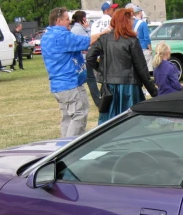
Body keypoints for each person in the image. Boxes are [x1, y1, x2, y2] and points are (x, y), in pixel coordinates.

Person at [41, 7, 106, 137]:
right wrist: (106, 32)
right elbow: (87, 41)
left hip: (57, 85)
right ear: (58, 21)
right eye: (66, 19)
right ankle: (71, 148)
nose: (69, 22)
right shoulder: (62, 35)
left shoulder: (47, 35)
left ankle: (63, 148)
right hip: (70, 84)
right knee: (79, 115)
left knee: (67, 118)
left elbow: (63, 52)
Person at [86, 8, 158, 125]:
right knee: (131, 124)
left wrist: (102, 69)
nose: (132, 21)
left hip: (111, 86)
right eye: (131, 18)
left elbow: (90, 57)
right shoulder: (131, 41)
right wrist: (154, 92)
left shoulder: (105, 39)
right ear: (125, 21)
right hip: (128, 88)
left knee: (109, 125)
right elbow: (142, 69)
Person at [71, 10, 101, 108]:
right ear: (83, 19)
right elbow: (90, 41)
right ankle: (98, 101)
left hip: (82, 59)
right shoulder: (79, 29)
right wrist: (88, 29)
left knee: (90, 79)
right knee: (91, 80)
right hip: (84, 60)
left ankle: (99, 100)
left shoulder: (75, 28)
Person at [126, 4, 153, 71]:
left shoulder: (130, 23)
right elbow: (147, 38)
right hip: (144, 48)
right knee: (147, 68)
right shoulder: (143, 23)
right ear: (140, 13)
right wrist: (150, 49)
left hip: (134, 48)